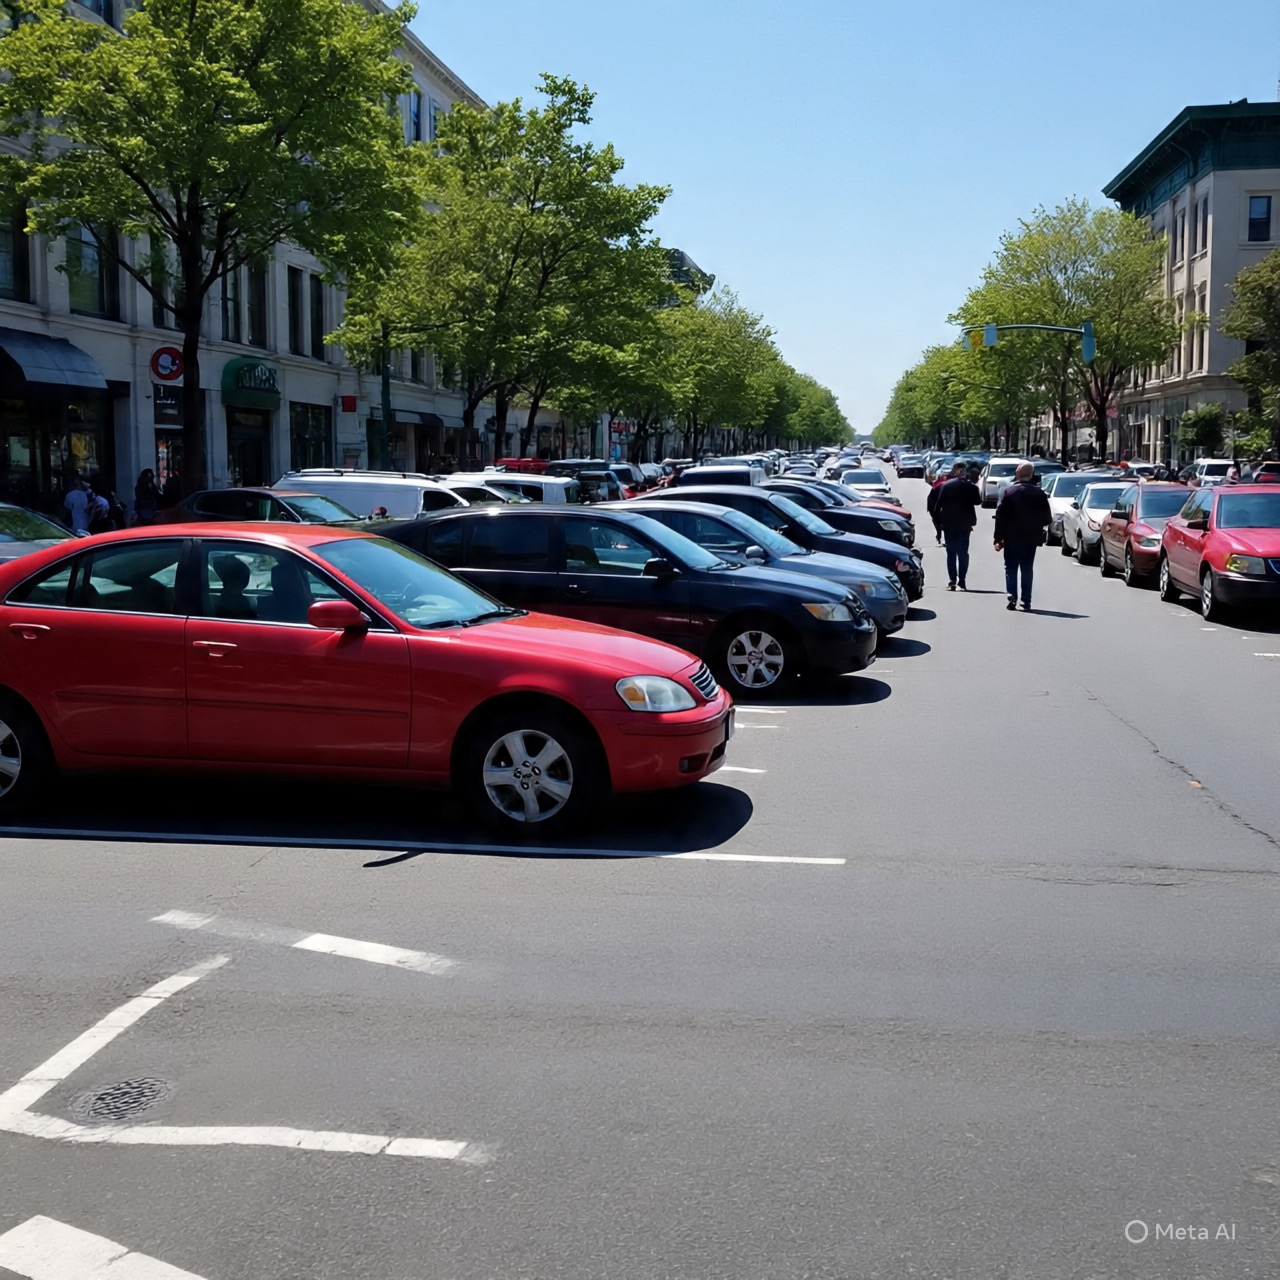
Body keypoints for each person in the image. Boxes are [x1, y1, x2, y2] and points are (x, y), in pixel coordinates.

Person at [993, 461, 1051, 611]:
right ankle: (1026, 600)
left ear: (1018, 474)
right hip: (1031, 538)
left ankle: (1012, 595)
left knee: (1010, 567)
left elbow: (1000, 516)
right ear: (1031, 475)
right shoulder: (1039, 493)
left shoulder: (1009, 492)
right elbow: (1047, 518)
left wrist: (998, 538)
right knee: (1027, 568)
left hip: (1011, 537)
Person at [933, 460, 982, 590]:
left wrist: (939, 523)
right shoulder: (972, 487)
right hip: (965, 524)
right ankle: (962, 580)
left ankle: (952, 580)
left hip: (949, 524)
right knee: (963, 553)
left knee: (951, 553)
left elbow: (937, 507)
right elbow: (978, 501)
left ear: (955, 473)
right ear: (966, 473)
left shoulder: (946, 486)